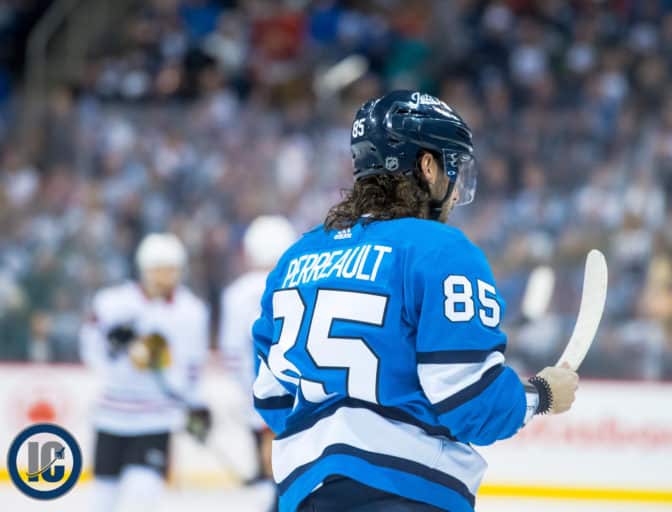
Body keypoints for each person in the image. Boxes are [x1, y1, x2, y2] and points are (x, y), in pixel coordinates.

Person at [250, 90, 579, 512]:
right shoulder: (440, 250)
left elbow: (273, 400)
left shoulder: (296, 259)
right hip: (406, 496)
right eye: (453, 169)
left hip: (304, 496)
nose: (456, 193)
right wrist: (542, 394)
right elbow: (471, 403)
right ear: (427, 166)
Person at [80, 233, 210, 512]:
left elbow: (193, 367)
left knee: (142, 499)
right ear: (144, 269)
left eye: (171, 269)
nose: (165, 277)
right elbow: (91, 350)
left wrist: (196, 404)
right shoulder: (112, 303)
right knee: (102, 500)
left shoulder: (191, 311)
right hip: (111, 416)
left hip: (156, 419)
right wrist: (110, 345)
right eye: (158, 269)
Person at [219, 215, 297, 506]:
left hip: (262, 398)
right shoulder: (303, 281)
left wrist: (251, 394)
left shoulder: (237, 293)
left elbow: (231, 354)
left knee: (270, 478)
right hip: (302, 398)